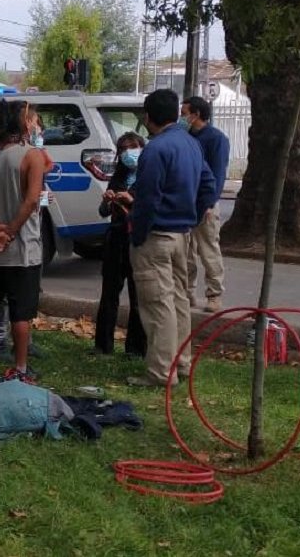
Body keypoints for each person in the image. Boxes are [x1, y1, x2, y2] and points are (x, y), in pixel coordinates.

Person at [127, 89, 217, 387]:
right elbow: (209, 184)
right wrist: (195, 214)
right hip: (182, 235)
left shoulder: (156, 150)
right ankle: (182, 362)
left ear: (148, 117)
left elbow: (148, 199)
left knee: (157, 305)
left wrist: (138, 233)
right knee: (179, 301)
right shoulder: (191, 144)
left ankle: (161, 373)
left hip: (157, 236)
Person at [0, 100, 50, 383]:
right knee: (21, 312)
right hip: (22, 247)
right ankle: (21, 367)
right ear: (22, 123)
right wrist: (10, 231)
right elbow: (31, 200)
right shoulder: (31, 157)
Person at [93, 132, 148, 356]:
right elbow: (104, 211)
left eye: (132, 148)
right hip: (116, 238)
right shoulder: (118, 176)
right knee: (109, 294)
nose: (128, 153)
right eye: (123, 149)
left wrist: (132, 201)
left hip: (137, 240)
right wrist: (108, 201)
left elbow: (148, 209)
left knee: (138, 297)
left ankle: (135, 348)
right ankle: (103, 345)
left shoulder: (147, 176)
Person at [181, 96, 230, 312]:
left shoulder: (216, 139)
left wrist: (209, 203)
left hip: (205, 202)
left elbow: (218, 174)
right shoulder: (185, 136)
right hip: (185, 201)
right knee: (185, 251)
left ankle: (214, 294)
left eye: (184, 113)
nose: (182, 117)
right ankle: (187, 291)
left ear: (196, 114)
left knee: (208, 250)